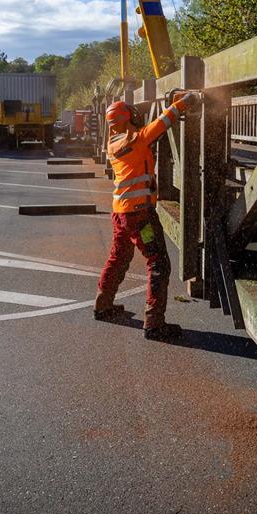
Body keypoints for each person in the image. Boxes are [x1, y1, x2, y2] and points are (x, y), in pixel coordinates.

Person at [94, 89, 202, 341]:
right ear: (127, 119)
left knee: (118, 257)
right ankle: (154, 322)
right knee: (158, 264)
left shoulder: (113, 144)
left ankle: (103, 305)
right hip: (140, 215)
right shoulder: (137, 139)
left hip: (121, 214)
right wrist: (184, 103)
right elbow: (163, 122)